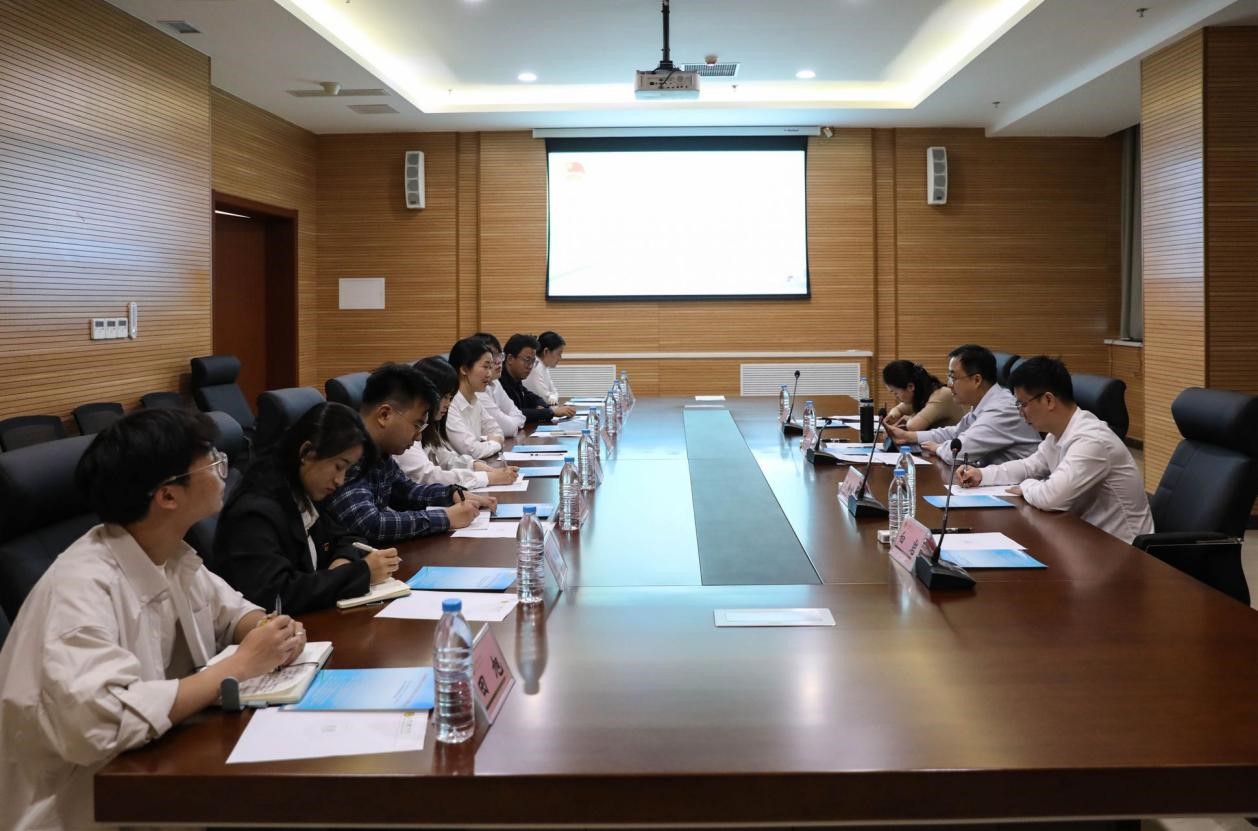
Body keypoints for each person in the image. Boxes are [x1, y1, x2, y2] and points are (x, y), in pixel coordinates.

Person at [0, 409, 305, 831]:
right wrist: (239, 666)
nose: (222, 465)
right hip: (83, 805)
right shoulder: (80, 587)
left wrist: (269, 631)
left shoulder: (170, 553)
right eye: (210, 459)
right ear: (167, 496)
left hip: (163, 765)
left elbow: (232, 611)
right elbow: (104, 720)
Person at [214, 401, 404, 615]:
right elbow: (278, 594)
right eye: (338, 466)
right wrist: (362, 573)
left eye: (347, 470)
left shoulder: (304, 489)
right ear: (306, 452)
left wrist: (343, 560)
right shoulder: (255, 512)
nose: (340, 480)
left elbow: (347, 537)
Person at [956, 356, 1154, 544]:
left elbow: (1051, 498)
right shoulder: (1058, 433)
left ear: (1048, 400)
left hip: (1122, 549)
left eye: (1023, 404)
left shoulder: (1092, 440)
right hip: (1083, 536)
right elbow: (1029, 466)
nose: (1020, 412)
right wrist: (982, 474)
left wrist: (1025, 486)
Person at [325, 362, 488, 543]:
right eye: (417, 425)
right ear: (384, 415)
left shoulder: (380, 450)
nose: (419, 437)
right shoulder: (347, 451)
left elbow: (405, 492)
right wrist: (446, 517)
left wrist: (450, 495)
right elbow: (370, 523)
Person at [886, 344, 1040, 465]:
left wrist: (938, 448)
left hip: (1019, 487)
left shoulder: (1002, 409)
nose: (949, 384)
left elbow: (958, 452)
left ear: (976, 380)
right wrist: (909, 437)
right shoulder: (984, 403)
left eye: (953, 377)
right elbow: (956, 433)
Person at [399, 356, 520, 489]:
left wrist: (474, 465)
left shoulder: (430, 427)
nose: (448, 404)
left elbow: (446, 459)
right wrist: (487, 478)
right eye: (444, 397)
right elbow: (428, 476)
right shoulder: (405, 432)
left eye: (450, 397)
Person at [445, 337, 506, 459]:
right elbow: (472, 451)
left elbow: (497, 430)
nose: (489, 374)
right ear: (464, 369)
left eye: (490, 368)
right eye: (485, 367)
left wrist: (491, 443)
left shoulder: (474, 399)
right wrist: (495, 443)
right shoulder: (449, 404)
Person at [501, 333, 578, 422]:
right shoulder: (500, 381)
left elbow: (534, 398)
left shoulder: (516, 380)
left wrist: (542, 407)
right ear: (510, 359)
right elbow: (514, 413)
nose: (530, 366)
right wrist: (551, 412)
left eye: (533, 361)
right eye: (527, 360)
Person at [881, 359, 965, 430]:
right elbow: (898, 409)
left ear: (910, 386)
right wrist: (893, 416)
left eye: (895, 393)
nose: (895, 397)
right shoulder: (921, 394)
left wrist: (909, 419)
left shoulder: (941, 395)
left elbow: (913, 426)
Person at [471, 331, 526, 437]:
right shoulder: (477, 390)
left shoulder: (495, 382)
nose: (499, 361)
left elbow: (519, 414)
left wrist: (511, 422)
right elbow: (507, 429)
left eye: (500, 355)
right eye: (492, 356)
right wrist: (513, 423)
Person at [524, 330, 566, 405]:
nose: (560, 358)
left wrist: (552, 397)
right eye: (559, 353)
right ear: (546, 351)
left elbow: (554, 393)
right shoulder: (535, 367)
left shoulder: (543, 367)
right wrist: (552, 397)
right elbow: (545, 398)